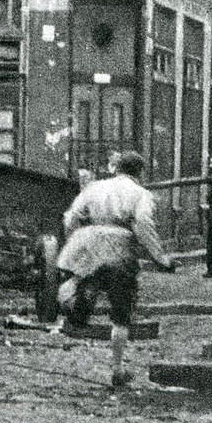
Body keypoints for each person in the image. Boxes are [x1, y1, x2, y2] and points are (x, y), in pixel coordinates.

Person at [57, 151, 177, 387]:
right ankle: (117, 369)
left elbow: (70, 217)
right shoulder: (141, 194)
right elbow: (143, 225)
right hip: (119, 248)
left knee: (83, 280)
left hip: (88, 244)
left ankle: (79, 297)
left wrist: (75, 241)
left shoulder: (94, 187)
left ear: (117, 168)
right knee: (121, 312)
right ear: (140, 172)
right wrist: (160, 258)